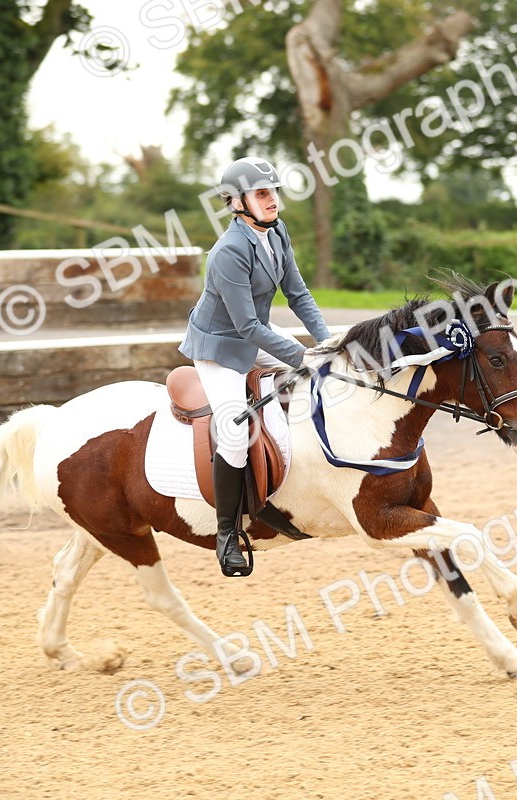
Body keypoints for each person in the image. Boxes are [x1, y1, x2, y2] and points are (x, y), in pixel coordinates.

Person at [179, 156, 332, 578]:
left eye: (274, 192)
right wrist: (301, 356)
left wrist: (327, 343)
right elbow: (245, 327)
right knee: (231, 432)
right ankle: (227, 534)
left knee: (321, 377)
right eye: (263, 194)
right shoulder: (227, 252)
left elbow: (298, 295)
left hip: (255, 334)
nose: (273, 201)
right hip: (221, 348)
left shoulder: (277, 232)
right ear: (235, 203)